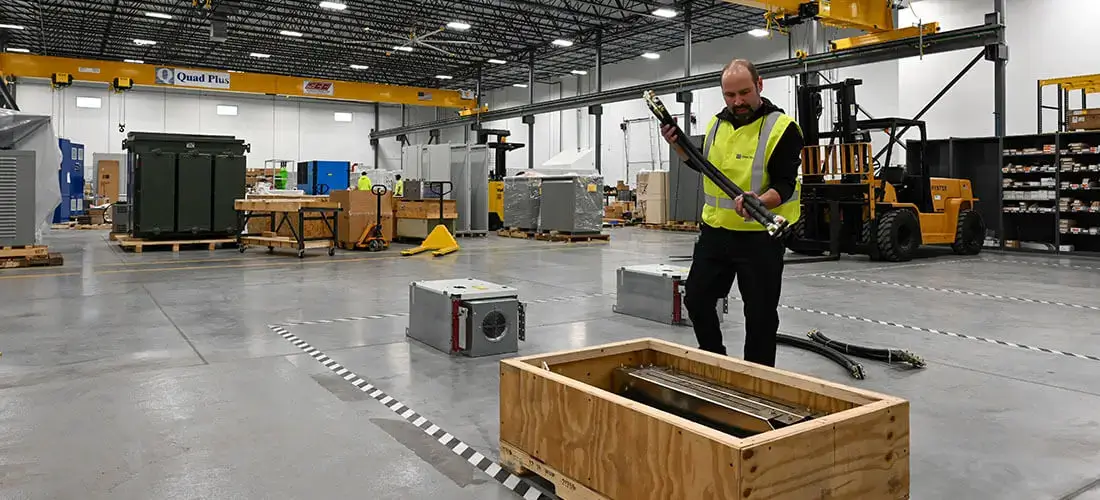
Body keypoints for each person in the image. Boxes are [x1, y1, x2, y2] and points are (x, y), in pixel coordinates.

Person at [660, 58, 803, 367]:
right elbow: (702, 166)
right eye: (730, 95)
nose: (737, 101)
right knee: (696, 299)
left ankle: (756, 379)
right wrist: (677, 144)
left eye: (744, 93)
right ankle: (716, 362)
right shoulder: (716, 124)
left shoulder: (782, 128)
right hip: (716, 233)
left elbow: (785, 184)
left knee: (760, 315)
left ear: (759, 85)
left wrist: (759, 201)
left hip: (760, 238)